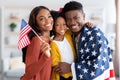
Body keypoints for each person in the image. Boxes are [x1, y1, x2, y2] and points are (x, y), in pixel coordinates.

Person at [54, 1, 115, 80]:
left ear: (83, 16)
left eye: (76, 18)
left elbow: (98, 65)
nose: (72, 23)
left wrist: (70, 68)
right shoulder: (70, 35)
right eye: (68, 19)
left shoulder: (95, 35)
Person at [20, 6, 53, 80]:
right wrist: (45, 57)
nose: (48, 21)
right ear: (36, 23)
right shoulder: (36, 41)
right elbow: (29, 72)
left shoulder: (52, 40)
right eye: (42, 19)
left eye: (49, 16)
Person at [50, 11, 76, 80]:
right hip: (62, 76)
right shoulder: (53, 43)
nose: (62, 27)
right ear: (53, 27)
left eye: (64, 24)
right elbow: (54, 62)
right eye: (58, 25)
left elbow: (76, 28)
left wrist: (86, 24)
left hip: (73, 73)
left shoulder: (67, 34)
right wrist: (59, 67)